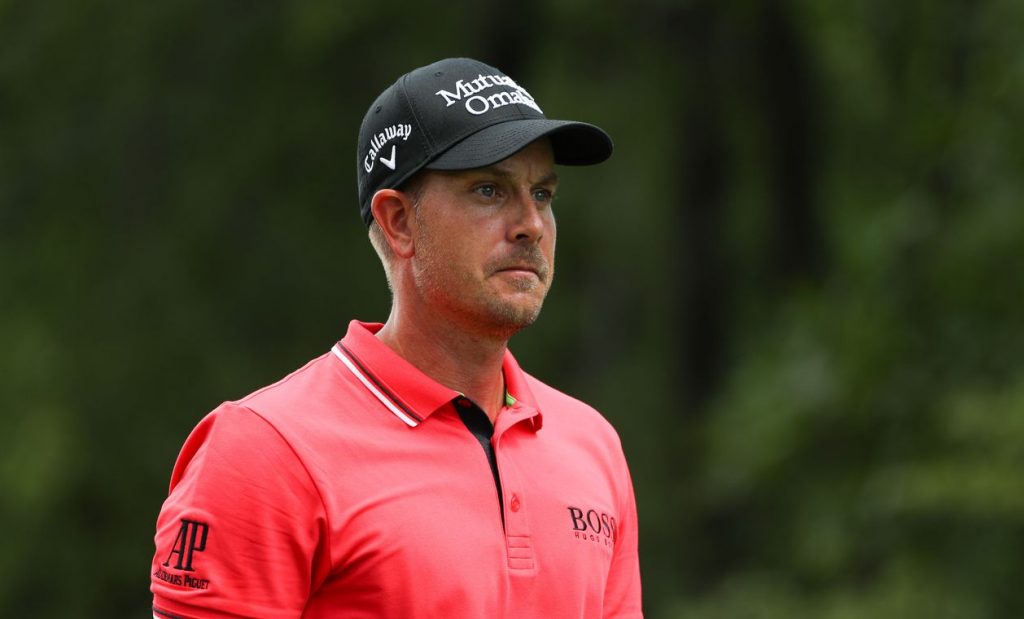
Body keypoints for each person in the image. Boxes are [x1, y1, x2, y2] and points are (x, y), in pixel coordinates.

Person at [150, 57, 642, 619]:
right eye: (489, 190)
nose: (530, 224)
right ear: (399, 222)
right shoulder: (265, 451)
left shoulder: (592, 444)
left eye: (543, 194)